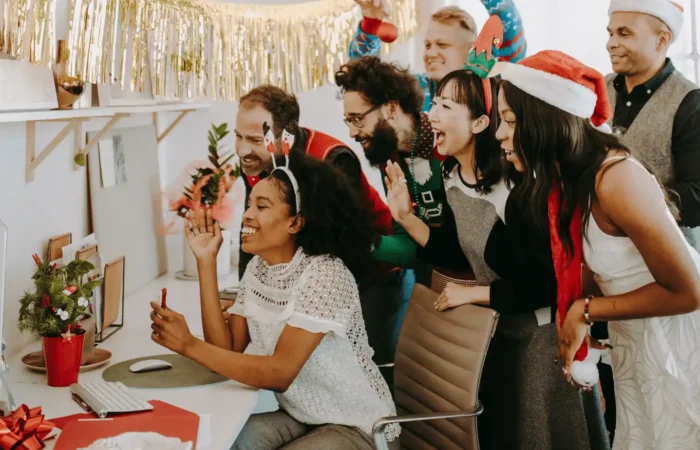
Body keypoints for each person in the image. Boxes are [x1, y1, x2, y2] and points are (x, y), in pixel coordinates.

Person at [382, 39, 608, 449]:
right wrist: (406, 218)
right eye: (434, 104)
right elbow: (455, 250)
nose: (432, 114)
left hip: (538, 339)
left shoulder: (514, 189)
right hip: (499, 331)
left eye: (446, 106)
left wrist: (473, 294)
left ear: (480, 124)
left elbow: (544, 283)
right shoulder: (452, 177)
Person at [495, 49, 700, 450]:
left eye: (510, 121)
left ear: (546, 120)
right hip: (637, 348)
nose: (500, 134)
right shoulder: (569, 181)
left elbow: (689, 291)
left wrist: (584, 311)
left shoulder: (616, 179)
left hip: (679, 347)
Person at [150, 153, 399, 450]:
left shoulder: (325, 274)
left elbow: (279, 373)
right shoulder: (259, 268)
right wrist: (206, 262)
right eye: (250, 204)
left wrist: (188, 345)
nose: (246, 214)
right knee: (223, 441)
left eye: (262, 206)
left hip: (358, 426)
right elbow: (225, 352)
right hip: (302, 416)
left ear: (295, 222)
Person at [234, 85, 401, 377]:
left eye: (254, 139)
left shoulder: (333, 158)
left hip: (369, 274)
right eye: (238, 137)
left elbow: (339, 247)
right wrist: (245, 298)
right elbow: (252, 228)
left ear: (285, 134)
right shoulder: (258, 162)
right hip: (316, 280)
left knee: (363, 369)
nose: (243, 149)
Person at [606, 0, 700, 247]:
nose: (611, 43)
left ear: (662, 40)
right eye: (610, 33)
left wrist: (630, 208)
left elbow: (697, 195)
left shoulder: (691, 103)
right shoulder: (597, 89)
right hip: (604, 259)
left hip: (671, 260)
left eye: (624, 34)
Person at [349, 0, 527, 111]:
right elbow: (364, 81)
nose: (431, 53)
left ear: (472, 50)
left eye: (442, 45)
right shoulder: (416, 89)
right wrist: (371, 24)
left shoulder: (489, 85)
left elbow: (509, 34)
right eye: (427, 45)